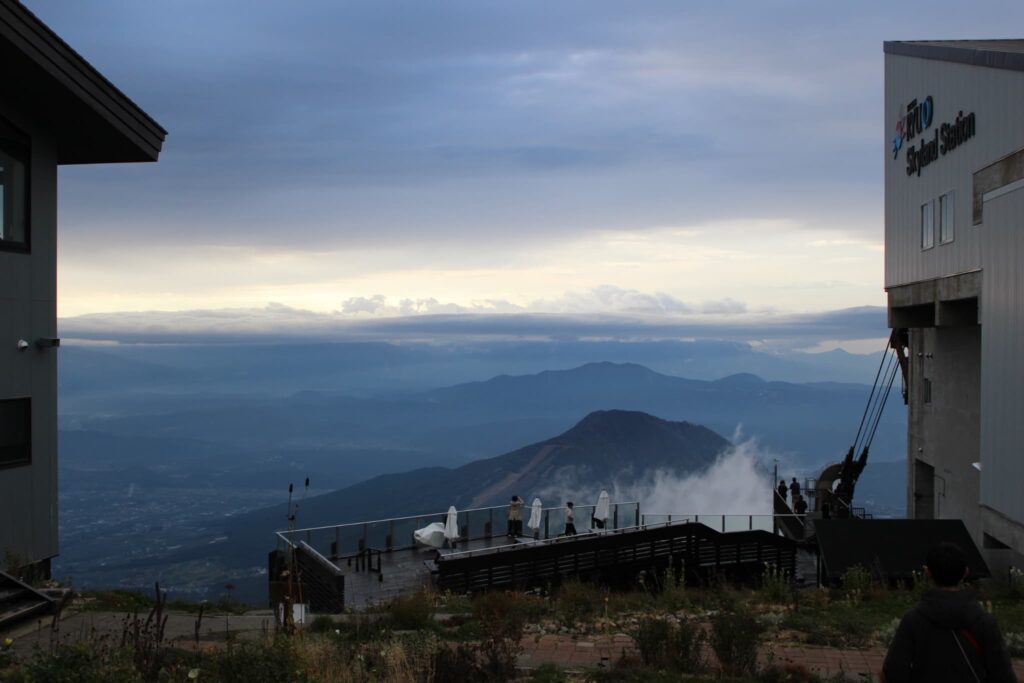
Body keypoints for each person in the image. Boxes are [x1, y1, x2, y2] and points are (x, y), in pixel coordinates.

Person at [882, 541, 1015, 683]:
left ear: (927, 573)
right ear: (966, 572)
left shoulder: (913, 619)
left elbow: (893, 670)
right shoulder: (984, 622)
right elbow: (1003, 676)